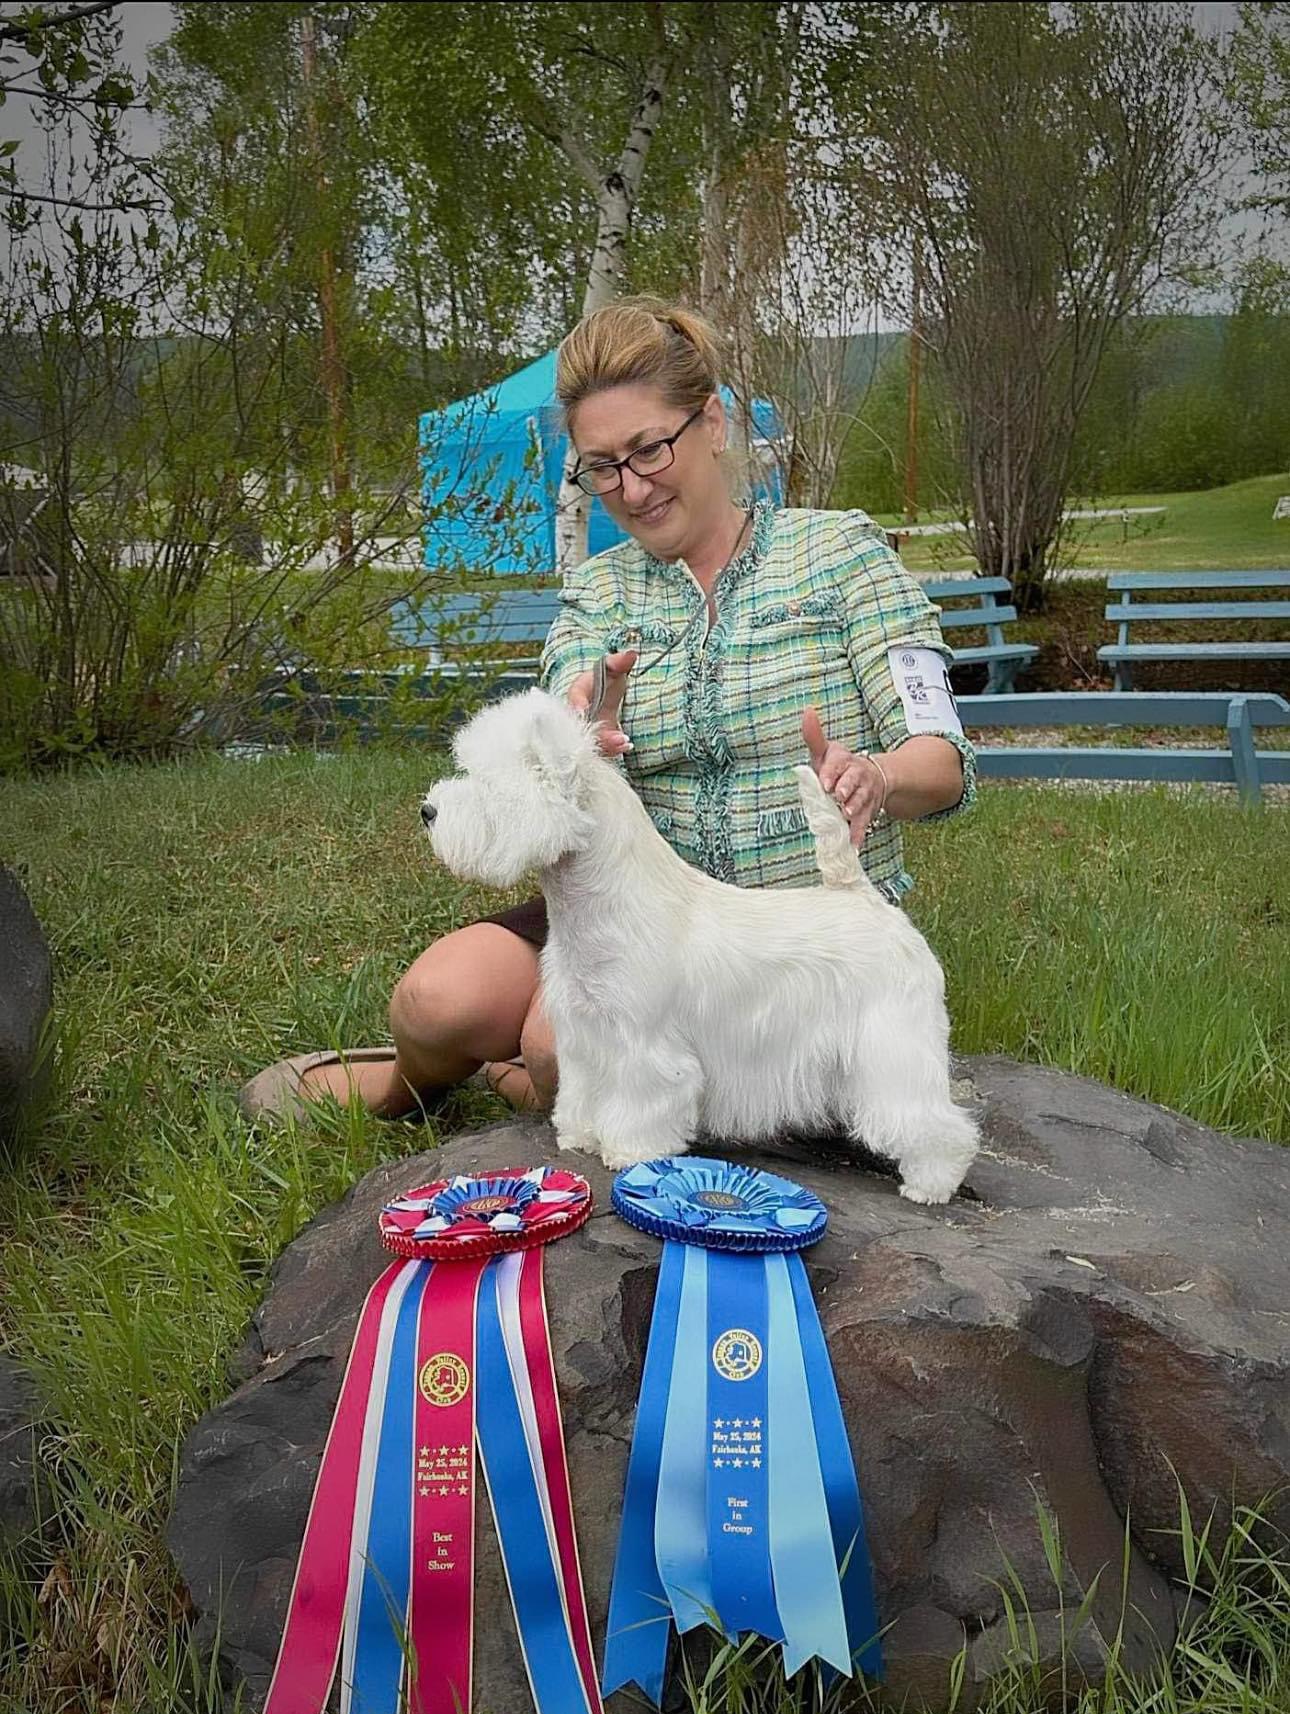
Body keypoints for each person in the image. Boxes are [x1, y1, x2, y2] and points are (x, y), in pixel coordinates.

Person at [239, 296, 976, 1124]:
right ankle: (406, 1084)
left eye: (649, 449)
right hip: (634, 923)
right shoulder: (596, 592)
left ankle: (513, 1073)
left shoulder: (843, 556)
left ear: (713, 423)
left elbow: (943, 759)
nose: (631, 487)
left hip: (790, 939)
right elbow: (560, 714)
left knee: (561, 1052)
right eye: (602, 467)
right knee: (433, 1001)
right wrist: (582, 725)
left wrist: (878, 776)